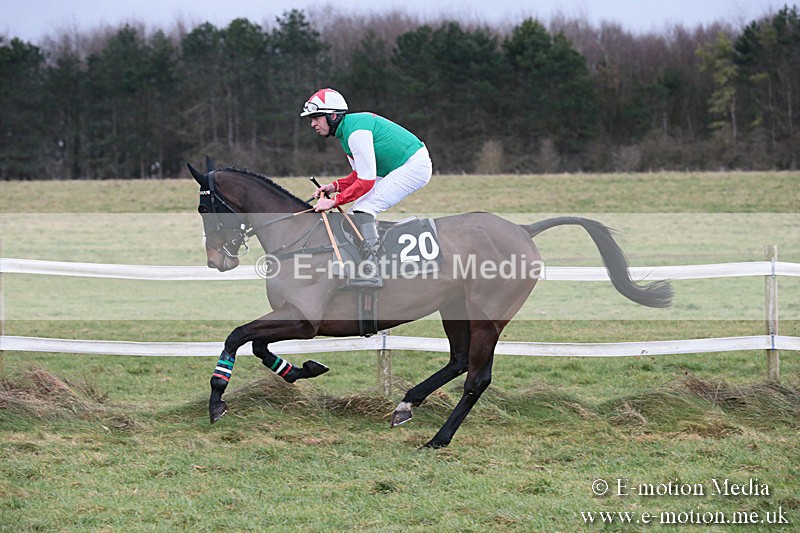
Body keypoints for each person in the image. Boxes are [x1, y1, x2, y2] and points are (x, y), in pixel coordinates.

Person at [302, 88, 432, 288]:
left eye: (316, 118)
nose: (313, 124)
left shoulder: (356, 133)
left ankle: (372, 271)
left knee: (364, 209)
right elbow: (359, 174)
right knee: (353, 214)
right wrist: (334, 186)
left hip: (414, 165)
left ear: (333, 116)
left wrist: (334, 201)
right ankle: (360, 266)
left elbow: (367, 181)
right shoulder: (346, 133)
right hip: (394, 167)